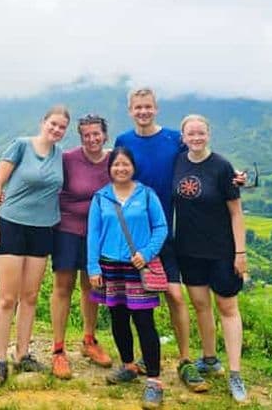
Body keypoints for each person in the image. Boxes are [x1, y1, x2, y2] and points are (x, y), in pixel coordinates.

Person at [114, 87, 244, 392]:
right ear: (130, 110)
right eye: (138, 107)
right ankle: (136, 360)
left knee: (175, 295)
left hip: (166, 235)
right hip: (133, 235)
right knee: (130, 299)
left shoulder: (174, 138)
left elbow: (201, 161)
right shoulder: (124, 141)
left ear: (156, 108)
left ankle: (185, 360)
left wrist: (234, 176)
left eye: (148, 106)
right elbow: (115, 170)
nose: (143, 111)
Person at [0, 105, 70, 388]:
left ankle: (22, 354)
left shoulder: (61, 156)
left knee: (30, 296)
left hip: (43, 229)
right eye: (53, 124)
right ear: (43, 122)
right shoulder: (21, 146)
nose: (56, 130)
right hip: (10, 225)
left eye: (62, 127)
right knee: (7, 297)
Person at [173, 114, 248, 403]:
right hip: (188, 250)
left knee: (227, 307)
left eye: (200, 133)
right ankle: (208, 358)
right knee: (201, 305)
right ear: (183, 137)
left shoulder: (221, 166)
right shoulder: (178, 161)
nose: (195, 138)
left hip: (221, 251)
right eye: (190, 134)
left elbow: (236, 212)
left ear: (209, 134)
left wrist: (240, 253)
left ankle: (235, 372)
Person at [87, 147, 167, 410]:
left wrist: (147, 252)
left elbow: (161, 227)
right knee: (118, 319)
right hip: (110, 267)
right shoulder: (101, 198)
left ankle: (154, 381)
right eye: (116, 165)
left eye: (125, 164)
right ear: (109, 168)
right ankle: (128, 365)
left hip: (138, 267)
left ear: (133, 167)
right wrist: (92, 267)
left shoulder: (146, 195)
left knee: (144, 322)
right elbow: (93, 233)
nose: (121, 169)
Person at [50, 114, 113, 379]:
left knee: (92, 285)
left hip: (98, 234)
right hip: (67, 230)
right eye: (86, 135)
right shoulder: (68, 159)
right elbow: (45, 179)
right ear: (81, 137)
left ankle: (89, 340)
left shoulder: (113, 160)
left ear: (105, 135)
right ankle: (58, 350)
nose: (92, 139)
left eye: (96, 134)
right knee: (63, 287)